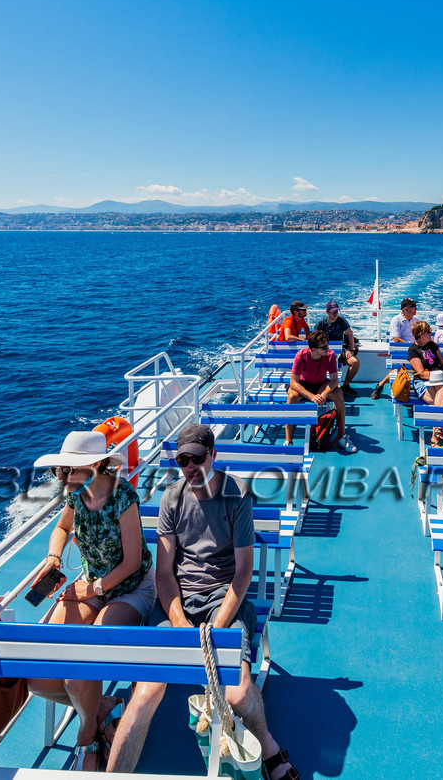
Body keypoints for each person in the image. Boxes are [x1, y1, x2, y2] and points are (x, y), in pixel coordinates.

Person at [106, 425, 301, 780]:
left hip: (224, 599)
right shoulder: (172, 498)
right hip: (179, 601)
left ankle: (270, 750)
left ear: (213, 454)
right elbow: (164, 574)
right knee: (147, 690)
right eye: (183, 460)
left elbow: (243, 573)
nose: (190, 466)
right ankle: (113, 776)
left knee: (240, 693)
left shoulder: (236, 495)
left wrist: (219, 624)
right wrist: (181, 624)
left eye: (197, 457)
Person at [30, 431, 156, 769]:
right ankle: (103, 707)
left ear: (97, 465)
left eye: (71, 469)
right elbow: (61, 529)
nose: (64, 477)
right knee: (37, 678)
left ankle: (86, 736)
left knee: (79, 672)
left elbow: (131, 562)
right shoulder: (75, 494)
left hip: (129, 588)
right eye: (61, 470)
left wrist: (94, 589)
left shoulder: (123, 496)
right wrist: (54, 558)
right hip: (92, 583)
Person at [287, 331, 352, 451]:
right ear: (313, 349)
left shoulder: (330, 355)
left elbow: (333, 380)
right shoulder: (301, 356)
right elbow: (293, 382)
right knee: (291, 396)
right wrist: (311, 396)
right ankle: (288, 441)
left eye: (328, 345)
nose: (328, 348)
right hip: (304, 385)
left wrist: (324, 394)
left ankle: (342, 436)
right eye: (324, 347)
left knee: (338, 393)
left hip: (321, 384)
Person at [405, 319, 443, 442]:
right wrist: (442, 376)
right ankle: (437, 431)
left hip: (440, 381)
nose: (431, 333)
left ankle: (436, 434)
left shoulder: (433, 346)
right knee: (439, 402)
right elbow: (422, 374)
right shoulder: (413, 350)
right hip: (422, 383)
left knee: (441, 391)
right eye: (428, 331)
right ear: (421, 334)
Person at [314, 300, 360, 398]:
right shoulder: (321, 323)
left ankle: (346, 385)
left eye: (337, 311)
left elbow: (350, 334)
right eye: (333, 312)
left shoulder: (341, 320)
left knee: (355, 363)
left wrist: (351, 350)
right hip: (325, 352)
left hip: (340, 351)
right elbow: (314, 338)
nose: (336, 314)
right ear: (327, 312)